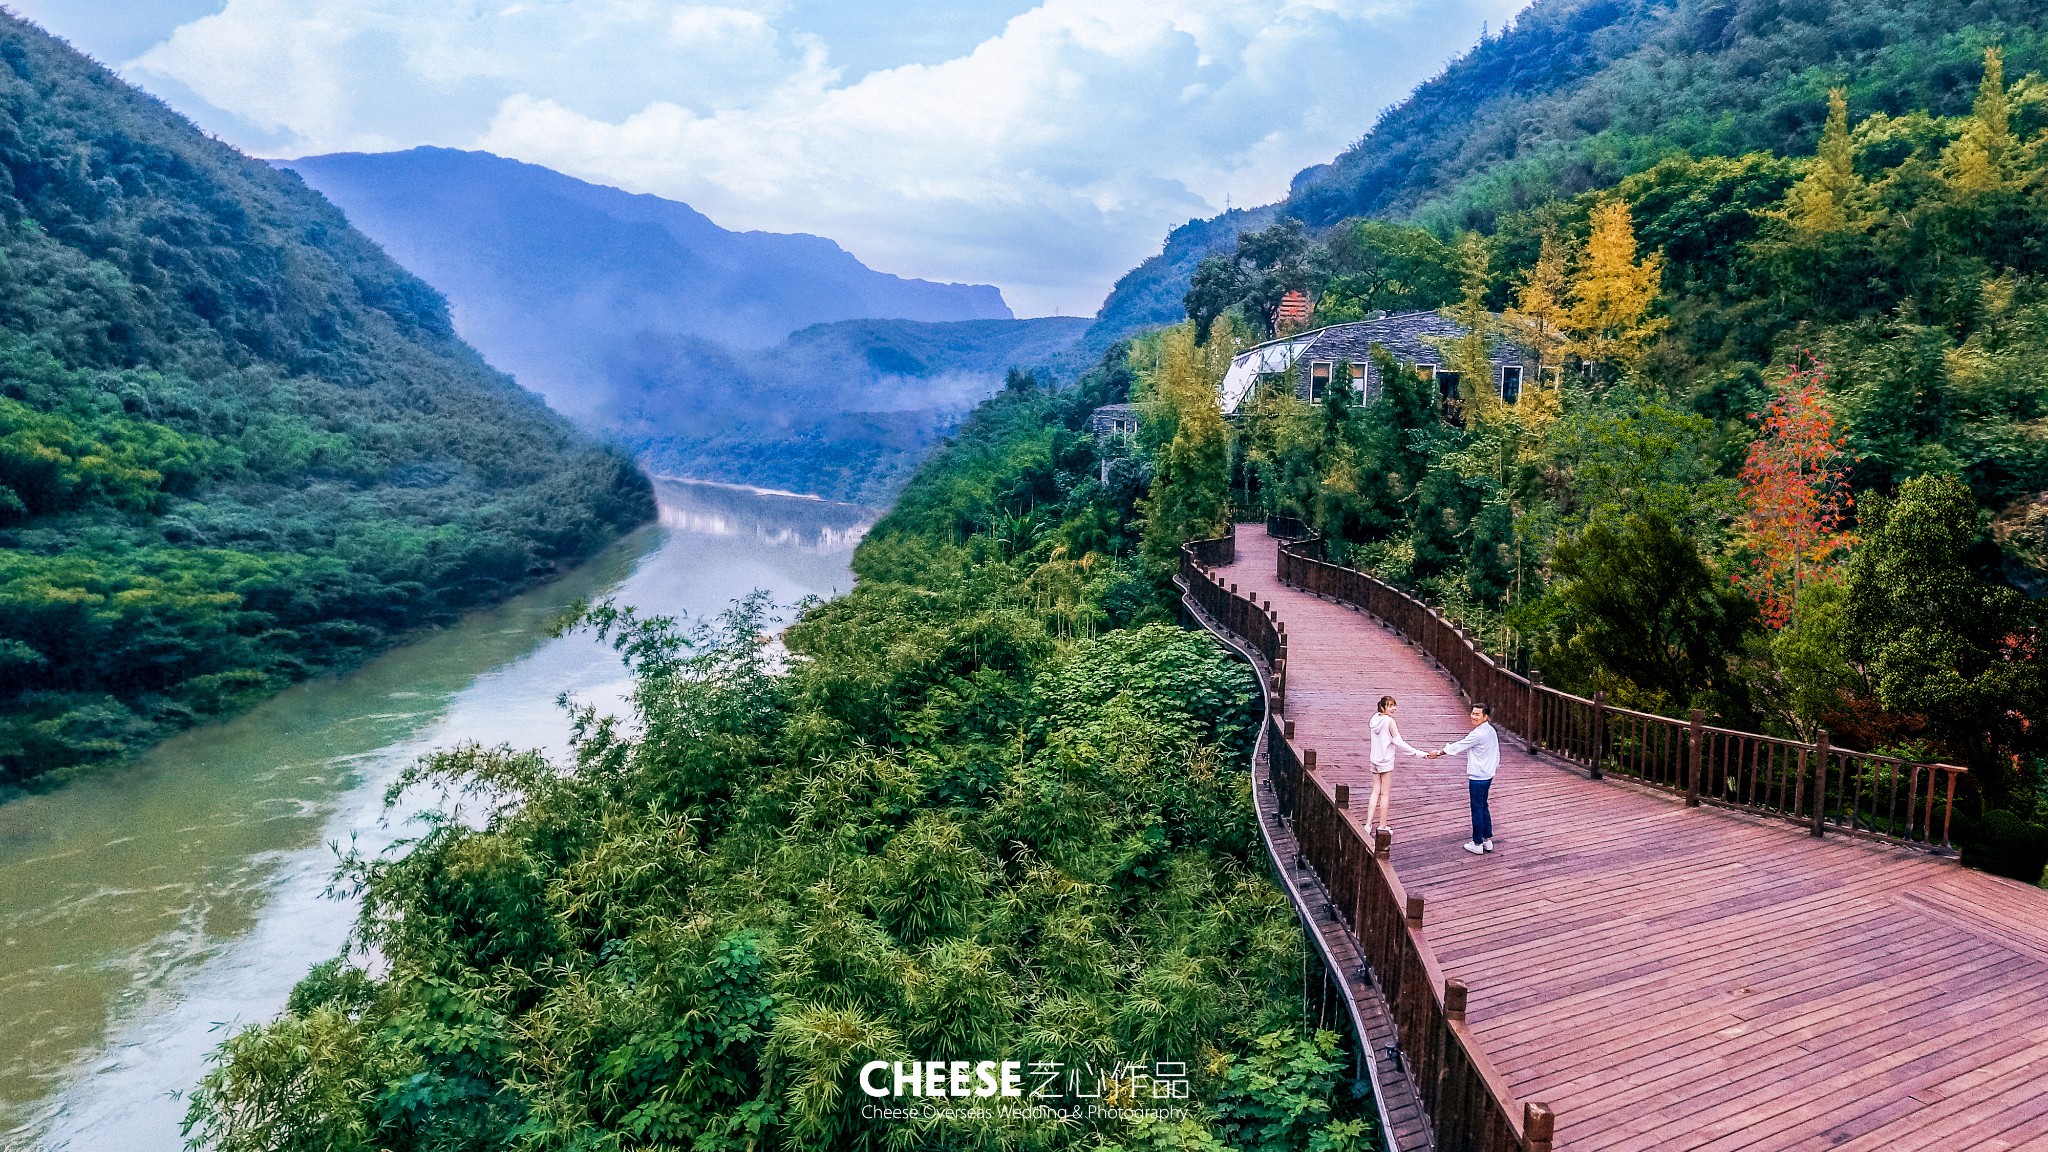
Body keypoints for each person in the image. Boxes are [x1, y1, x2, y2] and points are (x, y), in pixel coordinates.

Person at [1427, 703, 1500, 855]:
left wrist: (1439, 752)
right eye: (1472, 713)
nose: (1473, 716)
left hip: (1478, 776)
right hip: (1488, 774)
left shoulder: (1478, 734)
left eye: (1477, 714)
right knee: (1483, 805)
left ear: (1485, 717)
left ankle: (1477, 843)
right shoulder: (1490, 730)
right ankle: (1487, 839)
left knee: (1477, 808)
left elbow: (1459, 746)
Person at [1365, 695, 1424, 838]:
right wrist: (1417, 753)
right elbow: (1399, 742)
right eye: (1390, 706)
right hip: (1385, 762)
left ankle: (1368, 824)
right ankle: (1382, 826)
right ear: (1383, 707)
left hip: (1374, 760)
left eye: (1394, 705)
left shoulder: (1374, 719)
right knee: (1384, 794)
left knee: (1375, 792)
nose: (1394, 709)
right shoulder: (1389, 722)